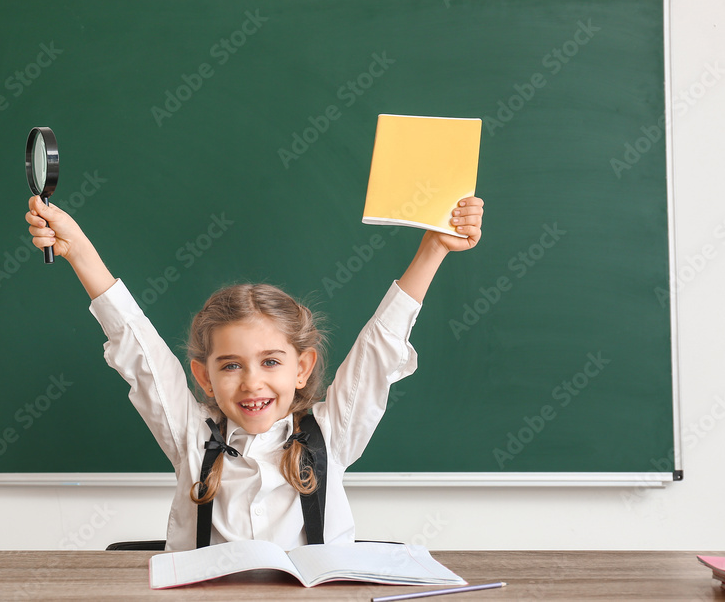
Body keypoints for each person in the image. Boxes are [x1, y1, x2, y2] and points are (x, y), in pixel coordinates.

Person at [25, 195, 485, 551]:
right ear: (204, 379)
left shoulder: (332, 434)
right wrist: (79, 251)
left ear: (302, 368)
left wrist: (434, 248)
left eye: (271, 361)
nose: (251, 383)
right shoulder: (191, 436)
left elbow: (378, 352)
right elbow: (139, 351)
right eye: (230, 366)